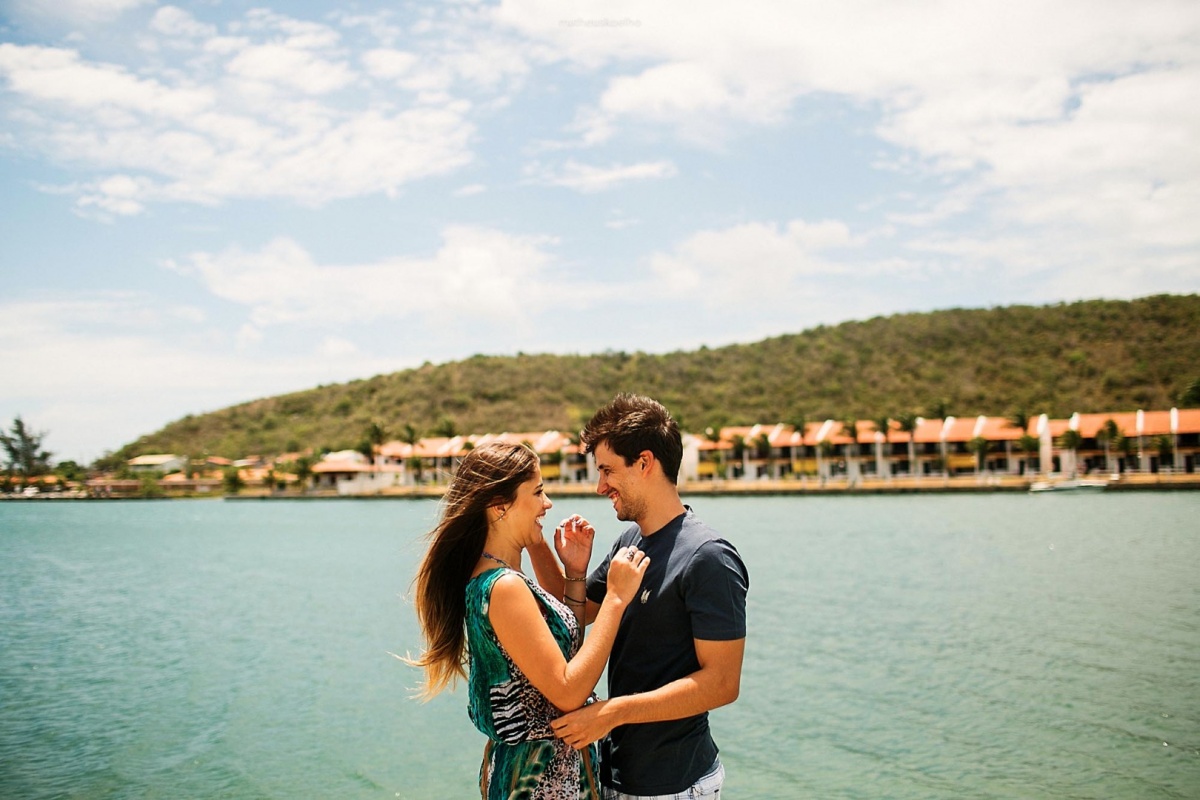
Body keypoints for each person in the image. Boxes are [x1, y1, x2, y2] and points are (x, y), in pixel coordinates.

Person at [408, 441, 649, 800]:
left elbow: (562, 658)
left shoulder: (496, 577)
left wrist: (575, 574)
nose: (547, 503)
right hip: (541, 783)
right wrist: (615, 599)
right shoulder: (504, 588)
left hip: (532, 774)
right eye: (537, 492)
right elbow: (568, 691)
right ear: (499, 505)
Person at [538, 394, 749, 799]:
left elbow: (722, 683)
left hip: (675, 786)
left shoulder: (709, 558)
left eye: (607, 471)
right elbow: (574, 614)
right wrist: (554, 555)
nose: (600, 487)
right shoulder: (631, 541)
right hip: (620, 774)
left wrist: (611, 714)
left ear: (645, 462)